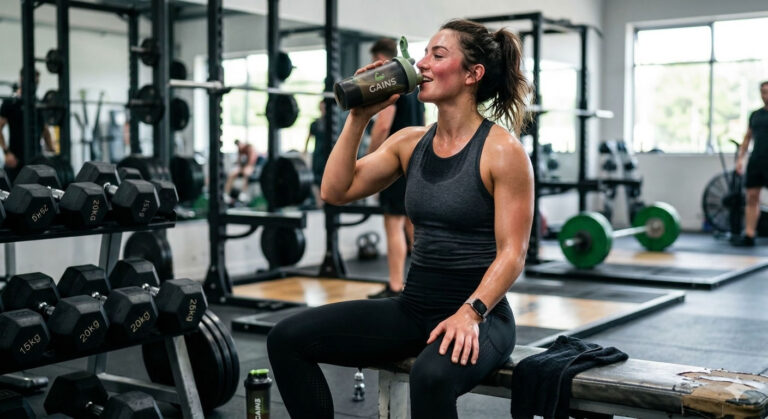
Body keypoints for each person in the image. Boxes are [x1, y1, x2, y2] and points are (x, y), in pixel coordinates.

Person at [268, 19, 533, 419]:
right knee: (286, 338)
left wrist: (470, 313)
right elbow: (335, 190)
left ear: (472, 74)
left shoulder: (502, 151)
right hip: (414, 307)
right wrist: (359, 117)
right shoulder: (410, 142)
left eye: (437, 55)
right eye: (424, 53)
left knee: (430, 376)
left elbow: (513, 253)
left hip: (483, 314)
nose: (421, 64)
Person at [366, 38, 425, 299]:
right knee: (413, 227)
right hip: (415, 161)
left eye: (374, 61)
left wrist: (369, 158)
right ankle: (419, 284)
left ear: (383, 59)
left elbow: (382, 126)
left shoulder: (390, 84)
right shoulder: (413, 85)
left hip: (395, 163)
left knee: (393, 225)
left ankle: (394, 285)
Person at [0, 68, 55, 181]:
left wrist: (52, 150)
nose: (35, 85)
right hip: (16, 160)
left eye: (37, 82)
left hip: (37, 160)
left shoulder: (39, 104)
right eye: (33, 81)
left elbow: (45, 129)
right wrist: (6, 153)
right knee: (13, 189)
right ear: (21, 79)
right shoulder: (10, 102)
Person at [733, 81, 768, 247]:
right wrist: (740, 159)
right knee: (752, 197)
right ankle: (749, 235)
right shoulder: (755, 115)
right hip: (756, 160)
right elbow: (747, 138)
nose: (765, 95)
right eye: (763, 92)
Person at [304, 100, 329, 205]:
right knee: (316, 177)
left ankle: (326, 199)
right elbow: (309, 137)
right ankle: (319, 201)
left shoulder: (331, 122)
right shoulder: (315, 123)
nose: (323, 109)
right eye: (321, 107)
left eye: (324, 107)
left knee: (326, 175)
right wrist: (304, 151)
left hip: (328, 154)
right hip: (318, 154)